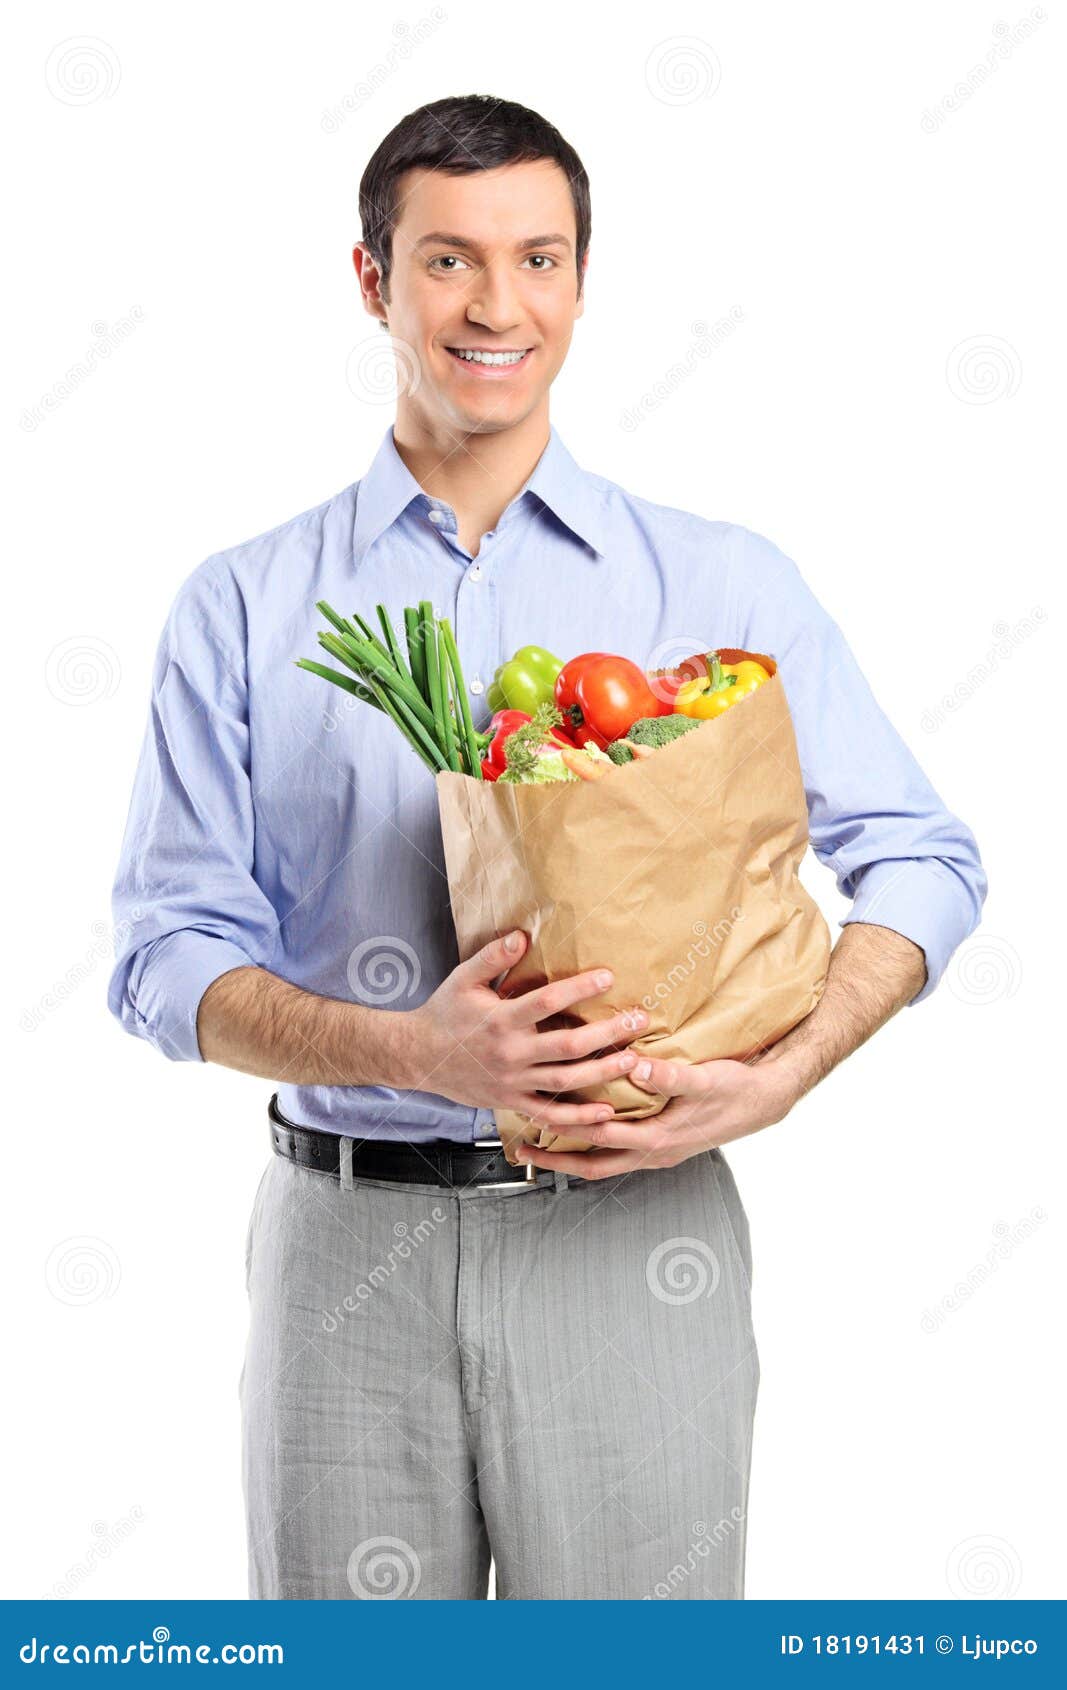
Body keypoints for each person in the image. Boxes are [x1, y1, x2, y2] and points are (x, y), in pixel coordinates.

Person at [107, 94, 986, 1601]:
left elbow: (922, 860)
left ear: (582, 280)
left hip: (636, 1239)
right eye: (448, 259)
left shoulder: (720, 583)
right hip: (343, 1250)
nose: (496, 307)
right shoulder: (243, 606)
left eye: (539, 258)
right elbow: (161, 958)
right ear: (374, 281)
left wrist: (787, 1070)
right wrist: (418, 1052)